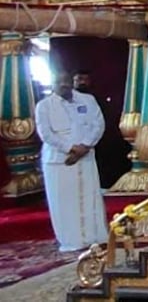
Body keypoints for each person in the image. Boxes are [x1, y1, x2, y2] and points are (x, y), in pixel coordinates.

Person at [35, 71, 108, 252]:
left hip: (86, 157)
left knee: (89, 197)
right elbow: (46, 134)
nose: (64, 85)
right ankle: (71, 241)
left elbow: (98, 124)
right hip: (59, 161)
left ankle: (95, 237)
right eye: (59, 82)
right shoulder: (44, 106)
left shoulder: (87, 100)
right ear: (53, 84)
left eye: (66, 81)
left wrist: (84, 146)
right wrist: (71, 149)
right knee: (64, 202)